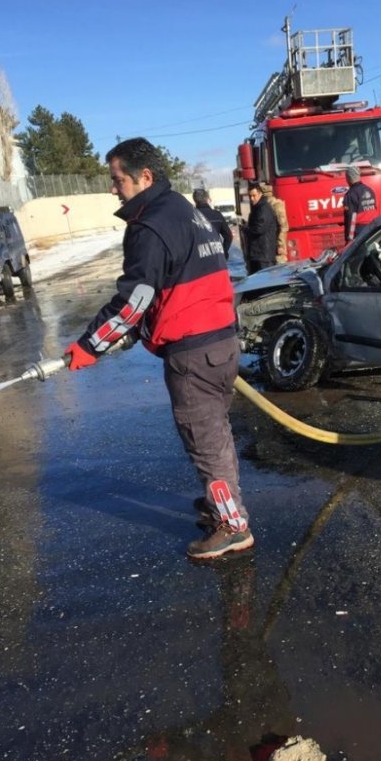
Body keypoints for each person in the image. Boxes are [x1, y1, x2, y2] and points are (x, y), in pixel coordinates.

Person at [63, 137, 253, 561]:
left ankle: (233, 525)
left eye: (118, 180)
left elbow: (133, 301)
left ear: (144, 177)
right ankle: (220, 502)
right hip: (221, 341)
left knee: (205, 441)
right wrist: (141, 328)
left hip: (193, 352)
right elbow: (168, 286)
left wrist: (89, 346)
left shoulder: (150, 225)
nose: (114, 189)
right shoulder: (185, 210)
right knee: (216, 434)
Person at [243, 182, 278, 274]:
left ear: (260, 194)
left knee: (264, 282)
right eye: (250, 196)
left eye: (254, 195)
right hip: (259, 253)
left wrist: (246, 229)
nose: (252, 198)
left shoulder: (263, 208)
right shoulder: (258, 207)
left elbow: (258, 229)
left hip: (263, 255)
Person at [192, 187, 233, 260]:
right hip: (217, 256)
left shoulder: (191, 216)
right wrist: (223, 250)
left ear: (194, 200)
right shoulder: (217, 215)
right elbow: (229, 236)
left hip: (199, 258)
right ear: (207, 199)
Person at [342, 166, 377, 242]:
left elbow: (351, 217)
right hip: (373, 228)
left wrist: (349, 239)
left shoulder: (350, 195)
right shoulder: (370, 190)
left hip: (360, 231)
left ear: (348, 178)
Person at [260, 183, 289, 264]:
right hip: (267, 247)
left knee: (279, 268)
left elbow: (283, 226)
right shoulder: (263, 205)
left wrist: (280, 245)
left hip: (276, 247)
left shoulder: (276, 205)